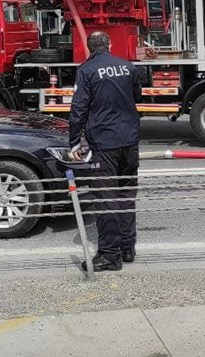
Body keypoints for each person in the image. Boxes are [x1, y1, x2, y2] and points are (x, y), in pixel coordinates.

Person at [68, 31, 142, 272]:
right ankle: (127, 248)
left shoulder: (87, 70)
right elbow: (136, 96)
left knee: (106, 198)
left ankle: (110, 254)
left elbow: (78, 109)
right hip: (130, 142)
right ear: (110, 44)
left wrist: (74, 143)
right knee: (126, 195)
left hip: (105, 144)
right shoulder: (127, 67)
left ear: (90, 48)